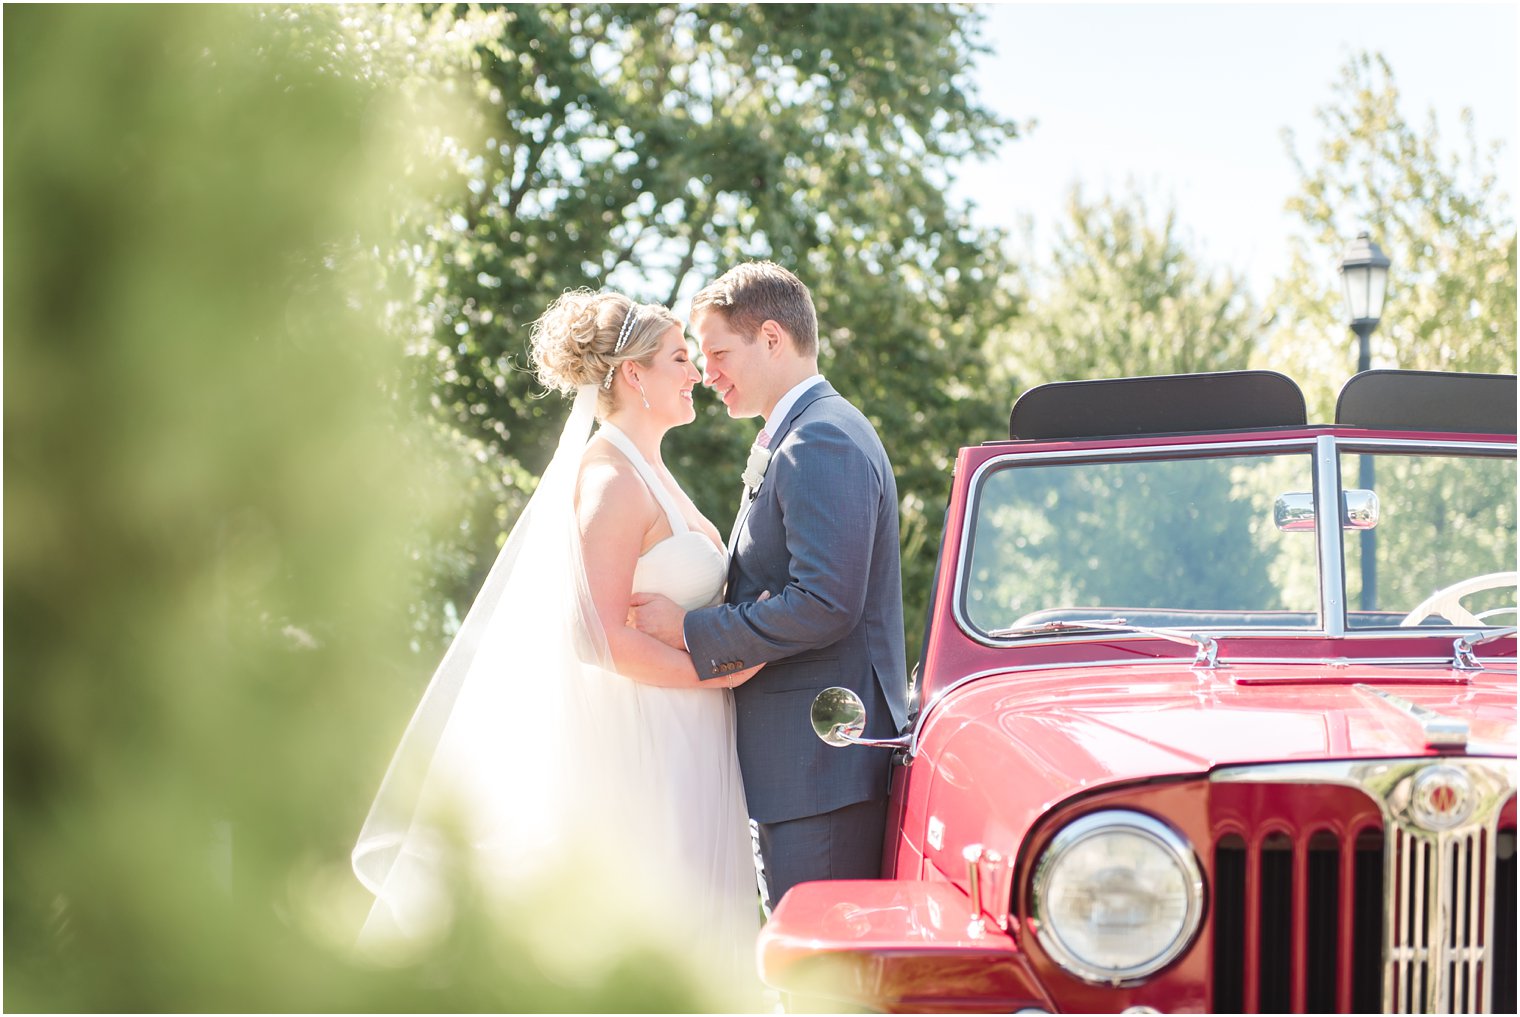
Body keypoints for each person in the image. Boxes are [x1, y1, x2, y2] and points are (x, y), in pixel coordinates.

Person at [352, 290, 760, 974]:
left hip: (689, 738)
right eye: (680, 358)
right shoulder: (610, 478)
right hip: (644, 746)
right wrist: (712, 667)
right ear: (634, 374)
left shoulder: (655, 471)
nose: (695, 373)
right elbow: (594, 636)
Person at [630, 261, 909, 912]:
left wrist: (690, 629)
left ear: (774, 339)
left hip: (821, 774)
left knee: (820, 985)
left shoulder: (819, 440)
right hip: (803, 771)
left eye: (719, 351)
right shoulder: (803, 432)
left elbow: (825, 602)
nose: (707, 372)